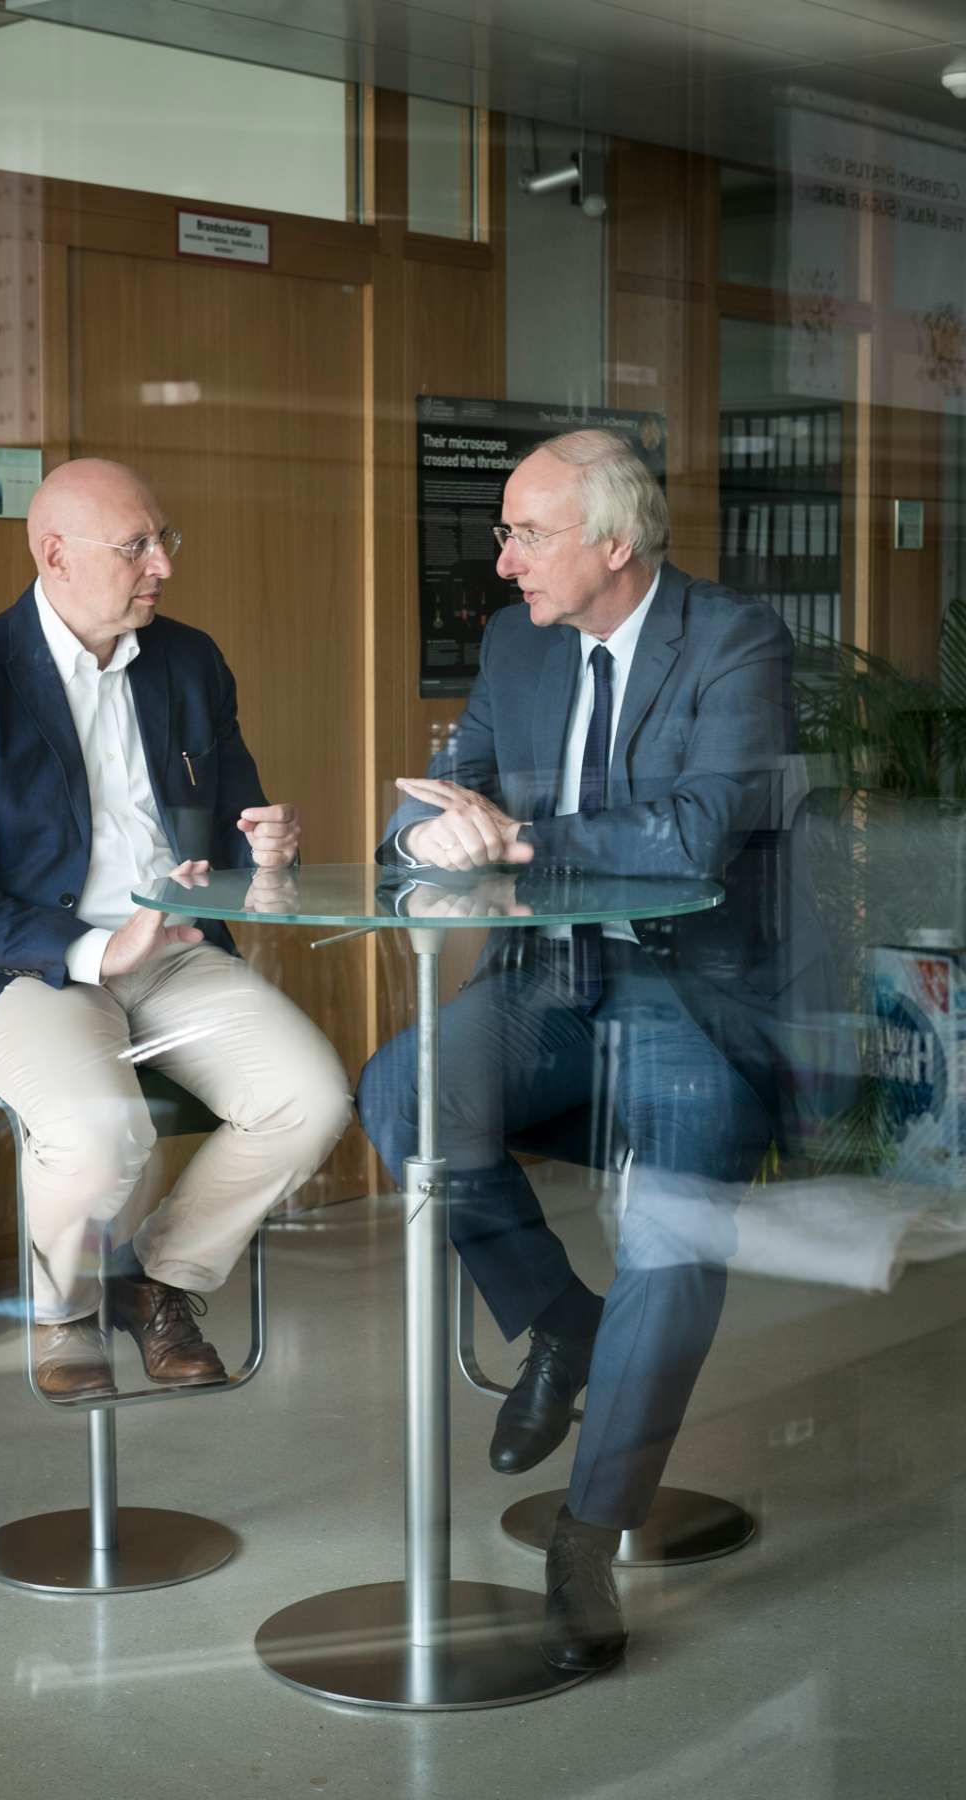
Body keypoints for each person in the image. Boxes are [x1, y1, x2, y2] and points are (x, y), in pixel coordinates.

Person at [357, 429, 854, 1677]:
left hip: (693, 991)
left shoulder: (734, 642)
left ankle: (589, 1528)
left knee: (673, 1232)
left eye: (528, 531)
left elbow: (693, 839)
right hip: (552, 980)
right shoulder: (518, 644)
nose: (502, 554)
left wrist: (518, 841)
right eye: (508, 530)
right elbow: (428, 804)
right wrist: (433, 847)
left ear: (614, 547)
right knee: (407, 1090)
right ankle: (558, 1322)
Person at [0, 458, 352, 1399]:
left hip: (175, 955)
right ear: (55, 554)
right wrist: (97, 951)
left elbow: (236, 828)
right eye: (137, 546)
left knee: (312, 1098)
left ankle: (156, 1281)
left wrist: (270, 853)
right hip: (26, 968)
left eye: (164, 540)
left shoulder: (190, 661)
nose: (163, 566)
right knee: (104, 1131)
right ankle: (63, 1313)